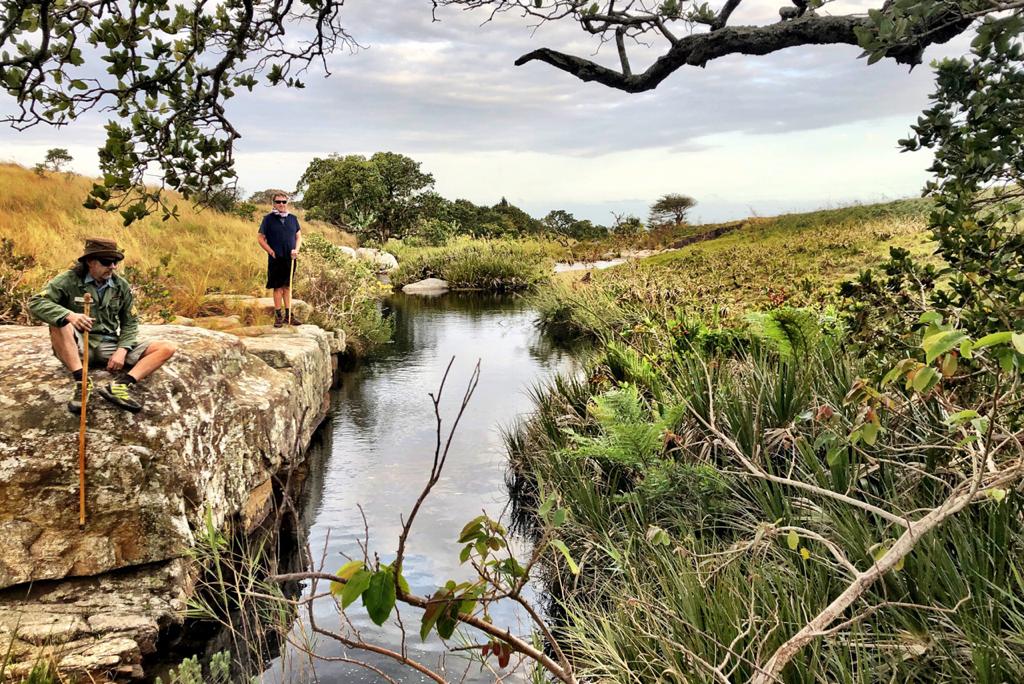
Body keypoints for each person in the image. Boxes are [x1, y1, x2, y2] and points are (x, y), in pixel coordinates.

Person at [28, 237, 178, 414]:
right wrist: (69, 315)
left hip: (108, 345)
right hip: (78, 347)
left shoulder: (121, 286)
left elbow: (130, 322)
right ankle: (82, 383)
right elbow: (36, 303)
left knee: (167, 348)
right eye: (107, 262)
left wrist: (122, 349)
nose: (113, 267)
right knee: (58, 323)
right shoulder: (67, 280)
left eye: (115, 262)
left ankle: (120, 386)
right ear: (90, 262)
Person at [257, 192, 302, 327]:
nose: (281, 204)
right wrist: (270, 251)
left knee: (287, 287)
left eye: (284, 202)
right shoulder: (268, 219)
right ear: (274, 203)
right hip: (276, 258)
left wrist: (296, 250)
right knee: (277, 288)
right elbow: (260, 238)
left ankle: (289, 316)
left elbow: (298, 236)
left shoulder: (293, 219)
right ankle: (278, 316)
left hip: (290, 258)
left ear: (287, 203)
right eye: (278, 202)